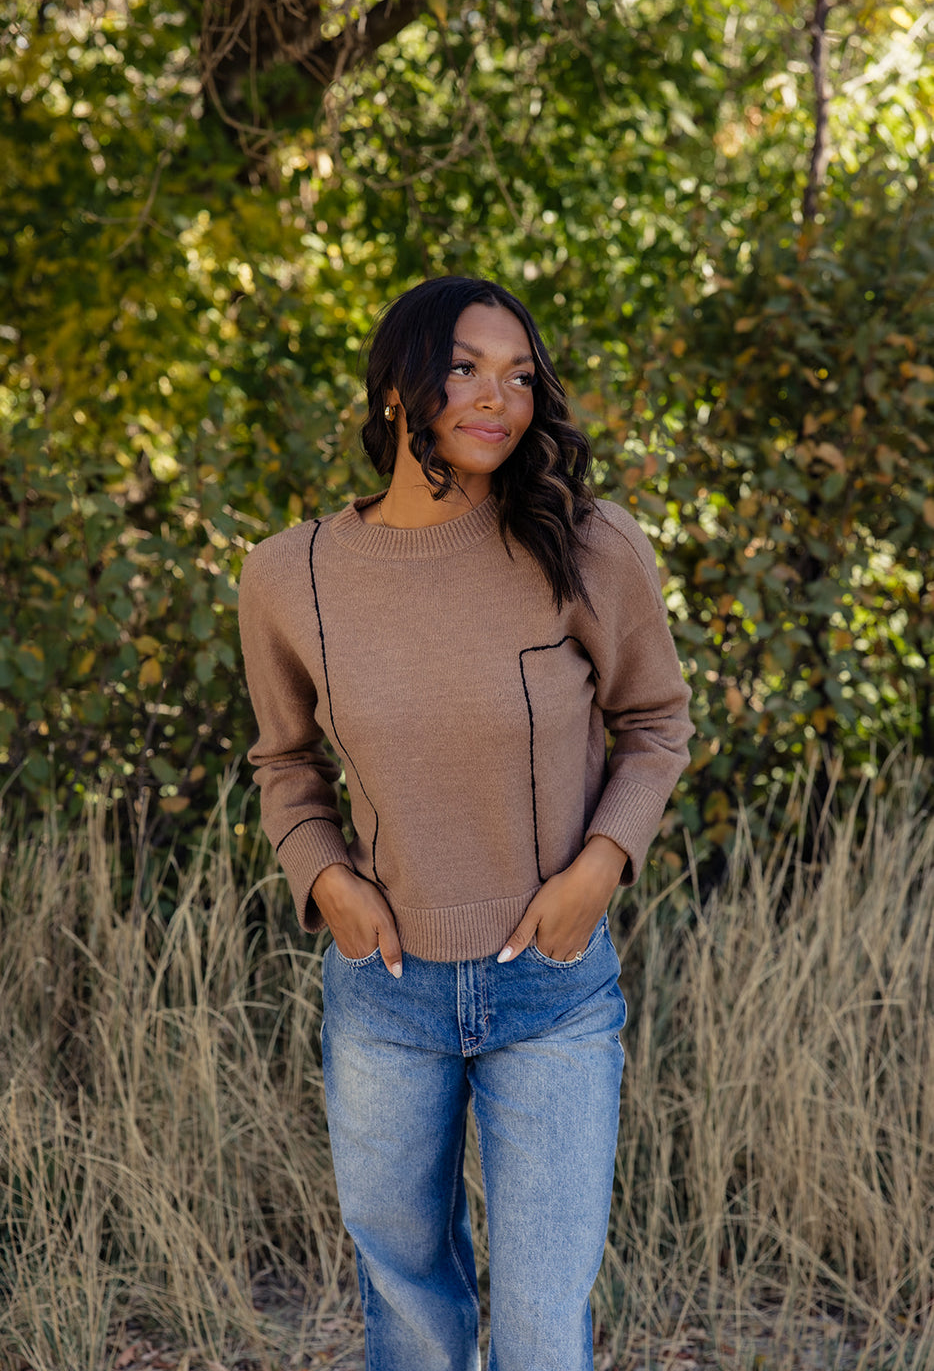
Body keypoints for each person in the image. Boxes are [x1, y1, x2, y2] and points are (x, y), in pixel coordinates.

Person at [238, 276, 693, 1371]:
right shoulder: (289, 574)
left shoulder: (586, 543)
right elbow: (284, 763)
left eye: (519, 373)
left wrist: (597, 866)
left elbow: (656, 721)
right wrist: (328, 881)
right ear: (400, 388)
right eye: (465, 367)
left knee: (542, 1329)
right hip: (386, 992)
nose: (499, 395)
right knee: (409, 1307)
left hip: (552, 983)